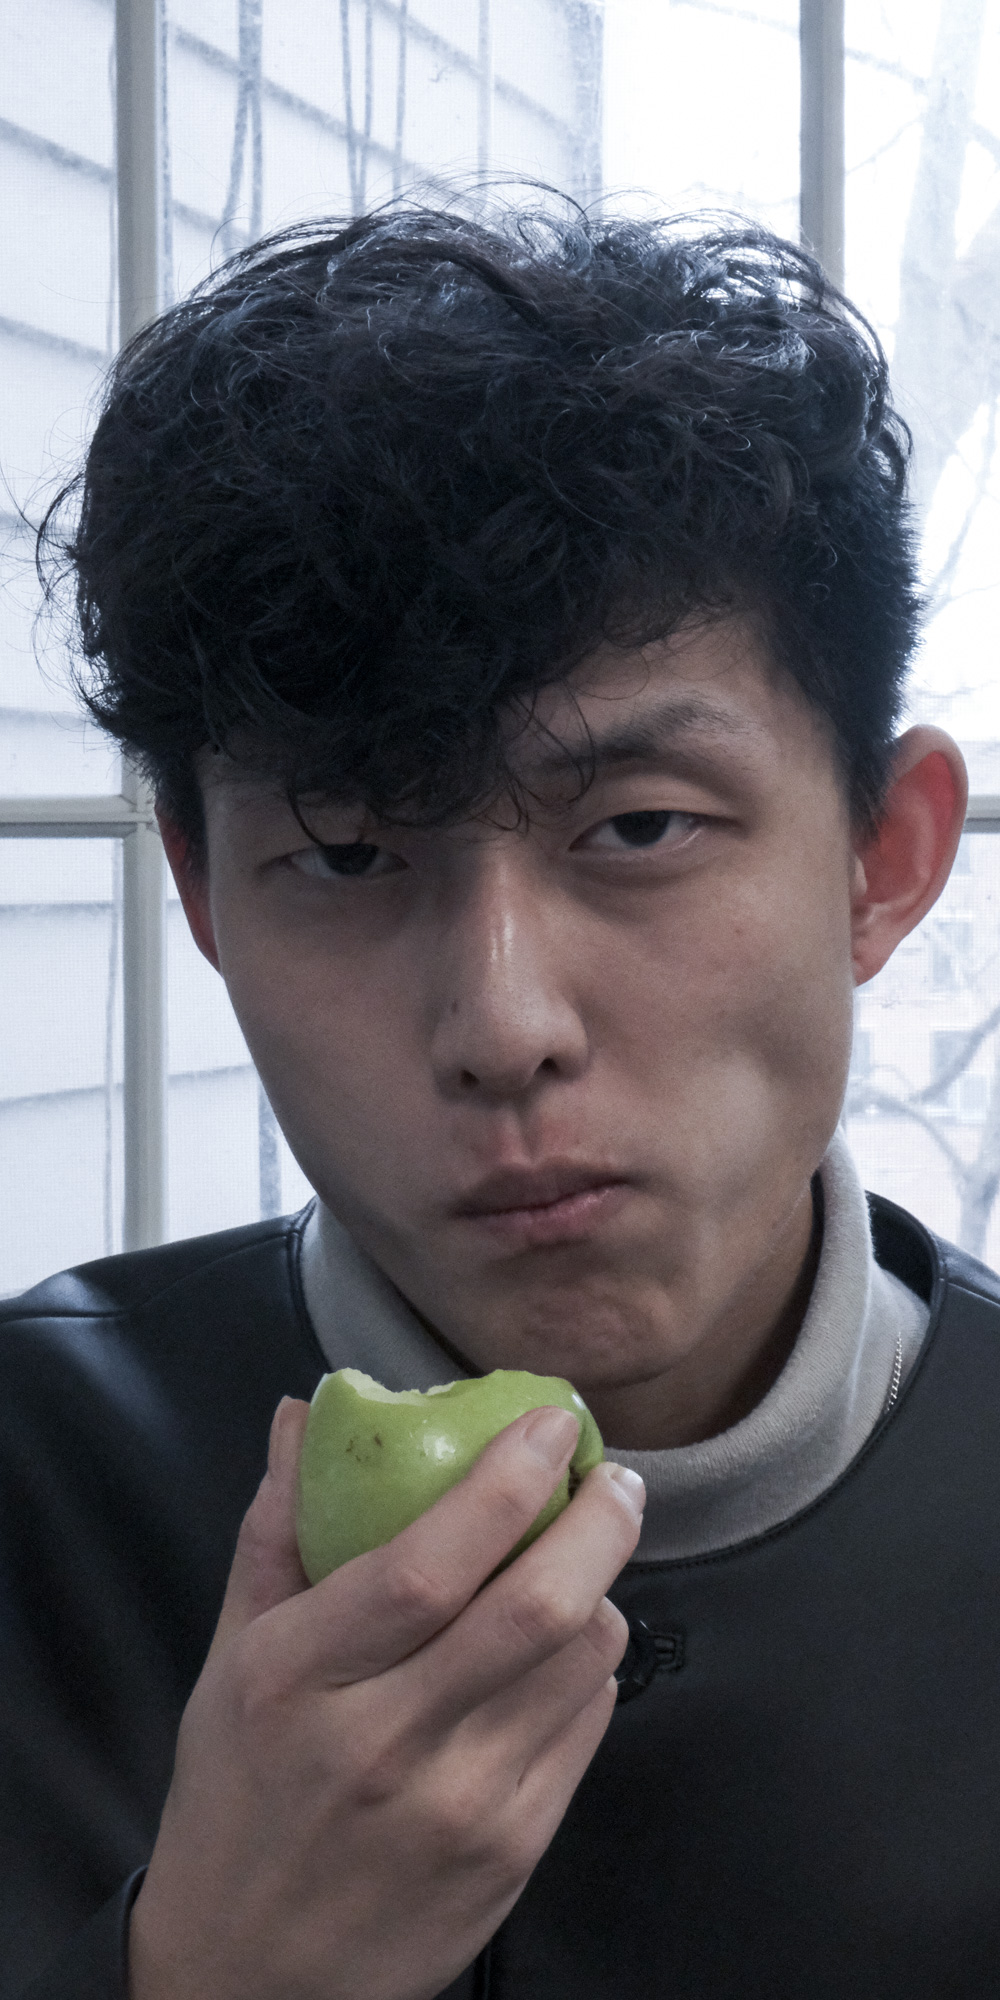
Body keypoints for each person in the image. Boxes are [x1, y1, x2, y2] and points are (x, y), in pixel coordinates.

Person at [2, 200, 993, 2000]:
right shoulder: (27, 1490)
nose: (502, 1022)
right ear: (207, 898)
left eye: (637, 828)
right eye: (349, 852)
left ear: (882, 858)